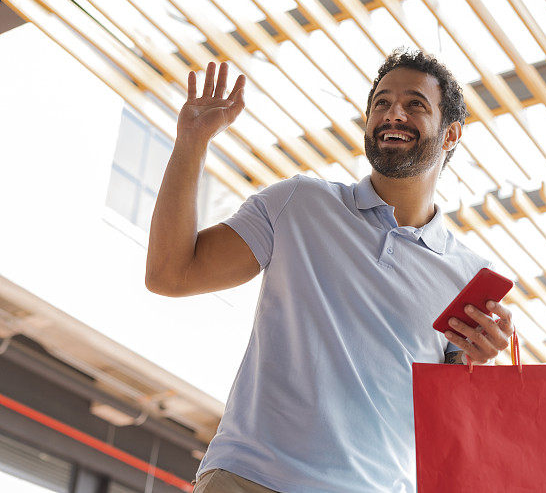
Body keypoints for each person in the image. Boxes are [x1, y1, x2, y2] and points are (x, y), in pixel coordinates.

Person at [145, 48, 514, 493]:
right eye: (381, 102)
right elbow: (170, 274)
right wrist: (191, 141)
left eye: (415, 103)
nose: (393, 113)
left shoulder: (470, 276)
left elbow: (449, 423)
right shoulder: (299, 202)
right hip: (249, 477)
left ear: (451, 134)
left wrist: (480, 362)